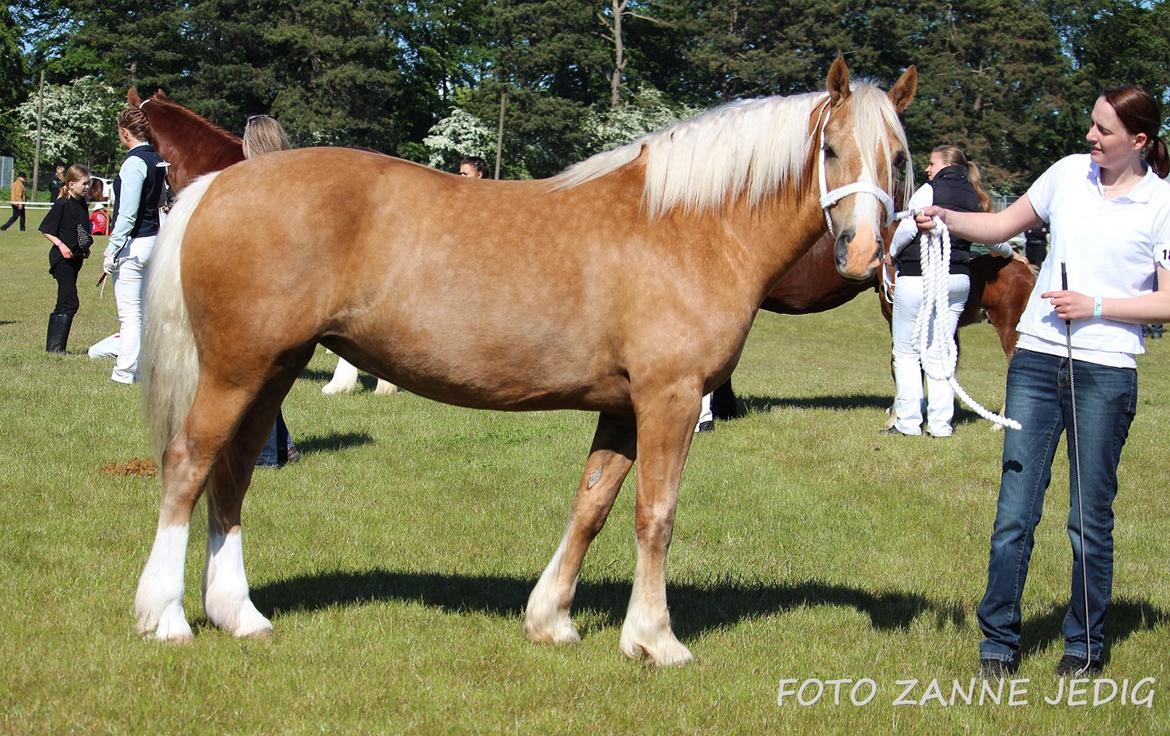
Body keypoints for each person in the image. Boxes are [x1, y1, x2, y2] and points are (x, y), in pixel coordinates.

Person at [915, 86, 1170, 677]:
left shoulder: (1161, 203)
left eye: (1104, 131)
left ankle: (1083, 648)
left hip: (1106, 372)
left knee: (1088, 520)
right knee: (1014, 515)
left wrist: (1097, 304)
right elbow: (1003, 223)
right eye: (1091, 125)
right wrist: (946, 217)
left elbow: (1166, 302)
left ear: (1137, 141)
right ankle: (998, 642)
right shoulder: (1066, 175)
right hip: (1034, 361)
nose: (1090, 137)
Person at [885, 146, 1020, 437]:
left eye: (931, 163)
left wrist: (891, 254)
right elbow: (992, 234)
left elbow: (909, 229)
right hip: (958, 280)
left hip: (920, 278)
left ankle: (908, 423)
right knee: (942, 352)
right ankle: (941, 425)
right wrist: (1011, 253)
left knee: (907, 351)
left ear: (945, 164)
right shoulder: (974, 197)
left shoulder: (928, 191)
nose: (927, 169)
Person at [92, 108, 168, 383]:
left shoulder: (132, 163)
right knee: (145, 313)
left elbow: (127, 214)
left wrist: (111, 248)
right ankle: (146, 369)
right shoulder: (158, 160)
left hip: (135, 244)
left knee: (131, 314)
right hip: (156, 241)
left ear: (124, 133)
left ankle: (125, 372)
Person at [242, 114, 301, 468]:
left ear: (248, 144)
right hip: (291, 291)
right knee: (268, 378)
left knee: (257, 377)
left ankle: (265, 456)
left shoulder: (254, 186)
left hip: (264, 291)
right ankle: (283, 448)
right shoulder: (296, 183)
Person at [39, 165, 94, 353]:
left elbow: (79, 229)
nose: (88, 187)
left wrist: (84, 248)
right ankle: (55, 349)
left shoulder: (82, 203)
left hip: (75, 259)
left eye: (89, 183)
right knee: (70, 301)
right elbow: (46, 229)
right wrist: (61, 246)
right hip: (61, 260)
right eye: (84, 183)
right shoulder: (62, 203)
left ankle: (55, 348)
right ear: (71, 184)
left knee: (64, 301)